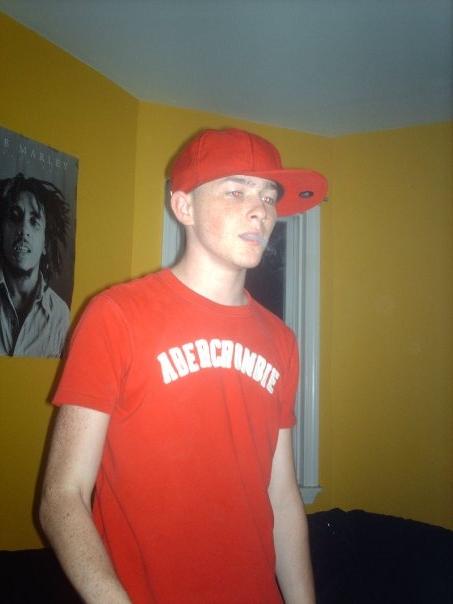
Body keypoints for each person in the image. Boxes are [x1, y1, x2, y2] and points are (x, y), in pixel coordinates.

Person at [39, 128, 328, 603]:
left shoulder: (281, 340)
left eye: (268, 196)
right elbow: (62, 494)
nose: (261, 210)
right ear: (183, 207)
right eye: (236, 191)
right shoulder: (116, 316)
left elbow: (282, 496)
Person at [0, 173, 70, 357]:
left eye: (34, 222)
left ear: (45, 243)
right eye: (14, 217)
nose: (23, 230)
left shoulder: (60, 317)